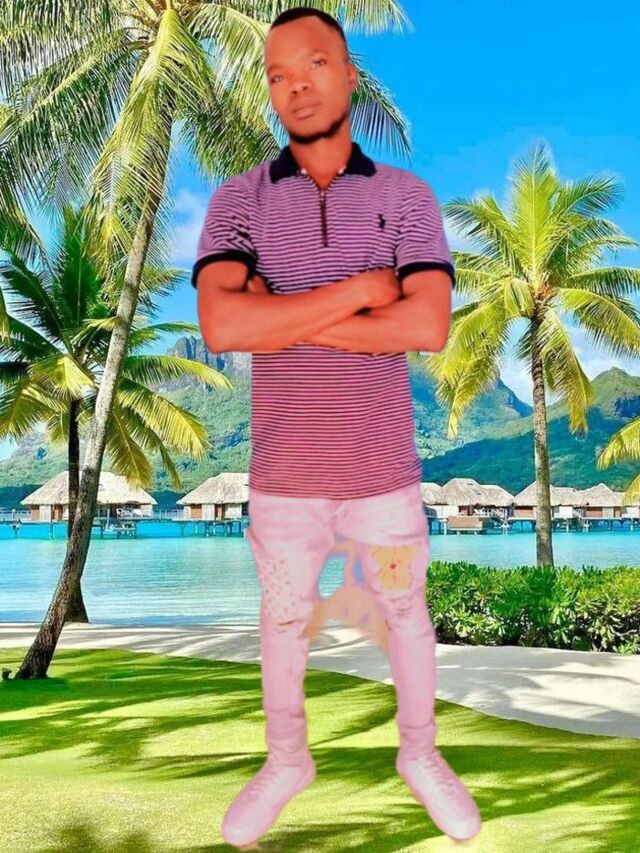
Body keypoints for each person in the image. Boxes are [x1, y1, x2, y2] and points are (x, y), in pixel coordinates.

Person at [192, 6, 482, 849]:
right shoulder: (238, 202)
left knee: (405, 615)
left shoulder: (405, 198)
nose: (296, 86)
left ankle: (420, 753)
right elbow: (223, 326)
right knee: (282, 624)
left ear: (351, 74)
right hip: (284, 482)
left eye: (314, 64)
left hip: (383, 476)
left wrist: (280, 316)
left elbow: (427, 325)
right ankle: (288, 760)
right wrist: (360, 291)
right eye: (277, 75)